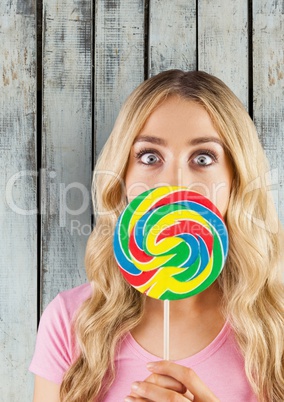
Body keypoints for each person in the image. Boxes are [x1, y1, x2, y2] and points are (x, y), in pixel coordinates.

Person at [29, 70, 284, 402]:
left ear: (236, 178)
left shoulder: (277, 326)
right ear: (122, 173)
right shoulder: (70, 321)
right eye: (149, 157)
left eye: (203, 158)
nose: (174, 181)